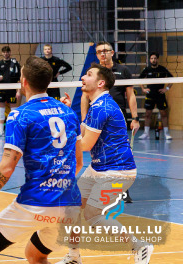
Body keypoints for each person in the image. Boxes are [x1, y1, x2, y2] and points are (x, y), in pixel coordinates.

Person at [0, 56, 82, 264]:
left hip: (35, 203)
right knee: (35, 255)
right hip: (69, 207)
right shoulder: (69, 113)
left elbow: (6, 168)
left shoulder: (20, 115)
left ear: (24, 81)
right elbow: (78, 163)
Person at [56, 63, 153, 264]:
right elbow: (82, 131)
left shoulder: (103, 107)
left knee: (92, 214)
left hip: (118, 172)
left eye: (88, 74)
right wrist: (67, 112)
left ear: (100, 83)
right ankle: (73, 257)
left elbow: (84, 145)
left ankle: (140, 246)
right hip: (99, 168)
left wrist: (62, 140)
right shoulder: (97, 105)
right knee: (71, 206)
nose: (83, 78)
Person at [81, 41, 139, 203]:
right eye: (99, 51)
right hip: (96, 114)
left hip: (115, 115)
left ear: (112, 53)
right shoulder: (93, 76)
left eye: (105, 50)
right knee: (100, 151)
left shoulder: (123, 70)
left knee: (115, 150)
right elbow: (85, 98)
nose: (102, 53)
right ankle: (110, 185)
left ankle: (120, 188)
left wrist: (135, 118)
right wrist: (84, 120)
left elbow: (131, 95)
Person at [138, 52, 174, 140]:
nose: (153, 60)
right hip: (150, 95)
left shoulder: (162, 69)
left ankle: (166, 134)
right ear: (150, 60)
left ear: (157, 59)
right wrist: (143, 89)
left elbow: (172, 78)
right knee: (147, 114)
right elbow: (139, 79)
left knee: (163, 113)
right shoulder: (147, 69)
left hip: (160, 95)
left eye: (155, 58)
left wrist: (166, 89)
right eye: (151, 58)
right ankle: (146, 133)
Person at [0, 46, 21, 138]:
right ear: (2, 53)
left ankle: (14, 130)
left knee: (13, 110)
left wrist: (18, 91)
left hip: (12, 89)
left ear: (10, 52)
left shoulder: (15, 63)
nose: (6, 53)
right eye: (4, 52)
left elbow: (19, 79)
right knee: (1, 110)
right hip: (1, 89)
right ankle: (1, 130)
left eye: (7, 52)